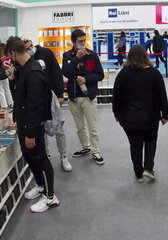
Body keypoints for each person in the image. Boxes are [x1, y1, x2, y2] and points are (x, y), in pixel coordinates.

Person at [6, 36, 59, 213]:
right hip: (24, 124)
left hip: (32, 127)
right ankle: (41, 186)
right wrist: (13, 78)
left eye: (9, 56)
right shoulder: (24, 70)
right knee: (29, 156)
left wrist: (30, 133)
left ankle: (51, 197)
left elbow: (35, 106)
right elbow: (22, 97)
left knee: (40, 158)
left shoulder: (34, 72)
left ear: (13, 53)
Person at [112, 45, 168, 182]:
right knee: (151, 141)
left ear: (129, 57)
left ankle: (138, 174)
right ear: (146, 56)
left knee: (135, 145)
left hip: (129, 118)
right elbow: (162, 95)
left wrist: (116, 113)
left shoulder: (123, 74)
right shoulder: (154, 73)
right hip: (150, 116)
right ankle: (148, 168)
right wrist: (165, 114)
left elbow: (116, 96)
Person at [24, 38, 72, 172]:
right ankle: (47, 156)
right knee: (41, 129)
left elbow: (57, 72)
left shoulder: (46, 53)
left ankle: (63, 156)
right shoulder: (26, 61)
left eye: (30, 47)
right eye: (26, 49)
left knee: (59, 127)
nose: (29, 50)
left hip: (52, 97)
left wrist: (60, 94)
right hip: (38, 100)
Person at [62, 29, 105, 165]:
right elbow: (66, 73)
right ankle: (85, 147)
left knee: (93, 126)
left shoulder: (92, 55)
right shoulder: (67, 56)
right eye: (80, 41)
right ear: (73, 42)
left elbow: (100, 74)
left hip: (89, 97)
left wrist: (86, 79)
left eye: (84, 41)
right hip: (74, 98)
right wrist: (77, 59)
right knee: (80, 127)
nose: (83, 43)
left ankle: (95, 150)